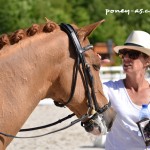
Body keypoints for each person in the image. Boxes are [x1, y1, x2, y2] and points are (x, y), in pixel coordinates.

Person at [101, 30, 150, 150]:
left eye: (132, 54)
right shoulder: (109, 89)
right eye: (124, 53)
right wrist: (92, 68)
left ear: (147, 61)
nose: (126, 58)